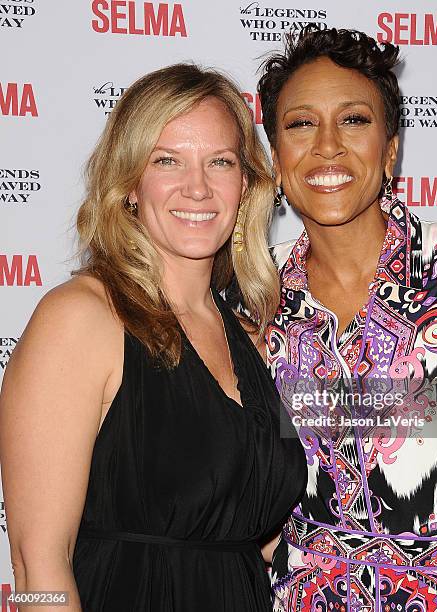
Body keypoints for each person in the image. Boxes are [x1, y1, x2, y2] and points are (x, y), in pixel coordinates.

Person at [0, 63, 307, 611]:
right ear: (129, 185)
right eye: (168, 160)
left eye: (220, 162)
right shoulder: (80, 320)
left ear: (246, 183)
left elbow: (258, 534)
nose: (198, 187)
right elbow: (36, 564)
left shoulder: (251, 336)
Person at [256, 26, 437, 611]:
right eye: (300, 124)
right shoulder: (255, 298)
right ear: (276, 158)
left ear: (392, 148)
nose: (327, 145)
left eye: (353, 119)